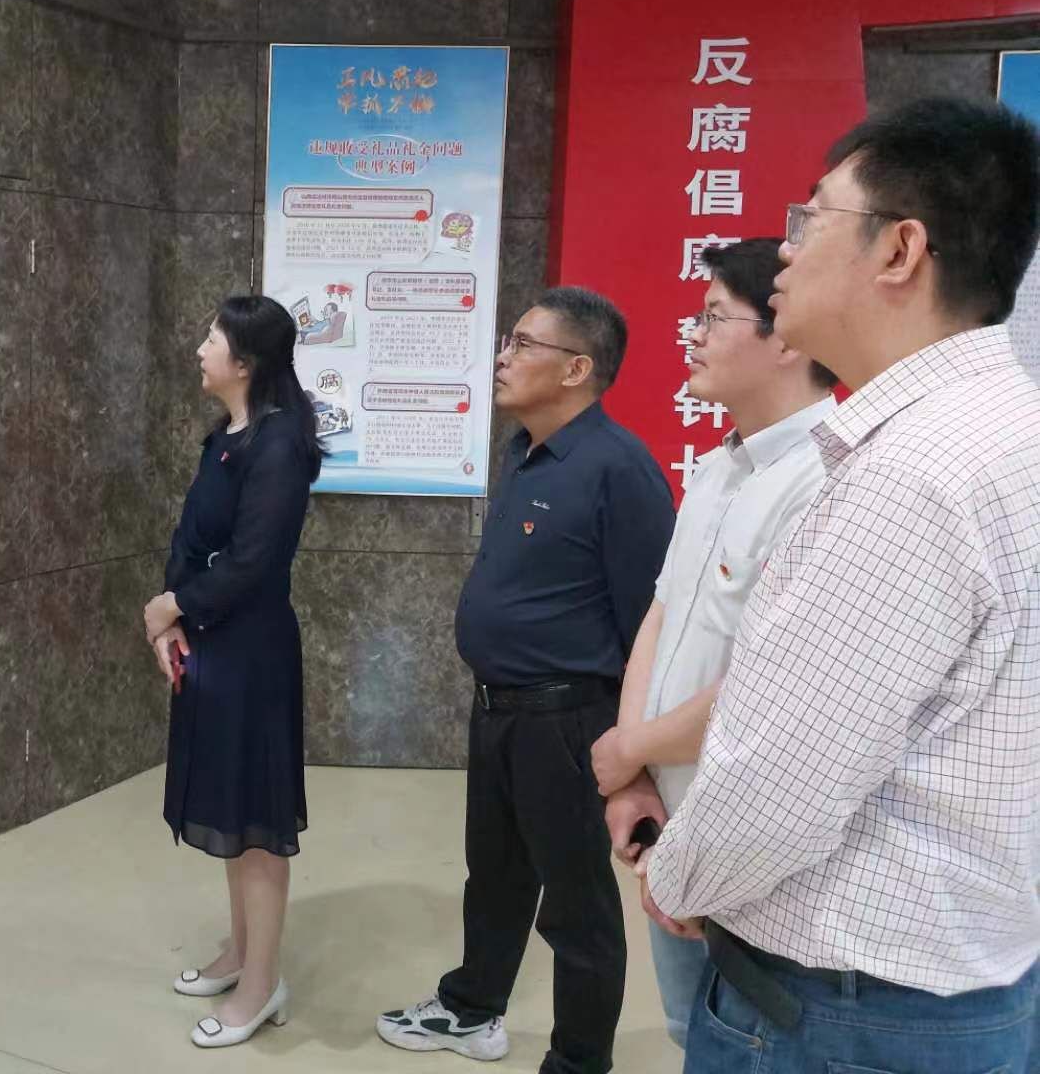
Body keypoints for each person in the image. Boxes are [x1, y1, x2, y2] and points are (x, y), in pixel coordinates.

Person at [640, 97, 1040, 1073]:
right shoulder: (1007, 426)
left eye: (810, 217)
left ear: (899, 250)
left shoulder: (911, 471)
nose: (784, 249)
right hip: (961, 977)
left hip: (837, 1010)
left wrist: (676, 874)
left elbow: (781, 781)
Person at [377, 287, 675, 1074]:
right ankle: (472, 1007)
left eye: (522, 344)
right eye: (506, 341)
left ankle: (579, 1061)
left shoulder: (619, 469)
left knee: (576, 909)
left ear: (577, 369)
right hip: (499, 710)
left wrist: (630, 747)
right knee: (496, 875)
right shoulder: (523, 451)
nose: (502, 356)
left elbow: (649, 622)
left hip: (568, 722)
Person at [587, 239, 838, 1050]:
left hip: (748, 842)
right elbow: (662, 615)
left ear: (786, 335)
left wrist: (630, 748)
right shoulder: (720, 466)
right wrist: (633, 774)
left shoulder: (828, 480)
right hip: (666, 819)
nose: (691, 336)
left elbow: (772, 685)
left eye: (713, 317)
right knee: (689, 1034)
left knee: (745, 1042)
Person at [144, 294, 325, 1050]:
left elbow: (254, 564)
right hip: (210, 641)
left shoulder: (278, 446)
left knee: (256, 823)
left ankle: (262, 984)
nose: (200, 350)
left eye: (212, 339)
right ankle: (241, 952)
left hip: (250, 652)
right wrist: (173, 617)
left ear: (245, 360)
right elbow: (192, 539)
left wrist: (172, 605)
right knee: (228, 809)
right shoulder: (226, 436)